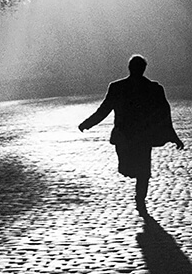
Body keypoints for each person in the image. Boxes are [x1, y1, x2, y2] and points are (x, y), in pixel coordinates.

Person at [78, 55, 184, 214]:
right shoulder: (153, 88)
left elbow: (104, 110)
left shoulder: (117, 87)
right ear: (144, 68)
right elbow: (164, 115)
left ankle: (140, 199)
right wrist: (173, 136)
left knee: (137, 169)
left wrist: (87, 123)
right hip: (143, 136)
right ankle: (140, 196)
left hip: (125, 136)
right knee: (141, 171)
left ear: (129, 68)